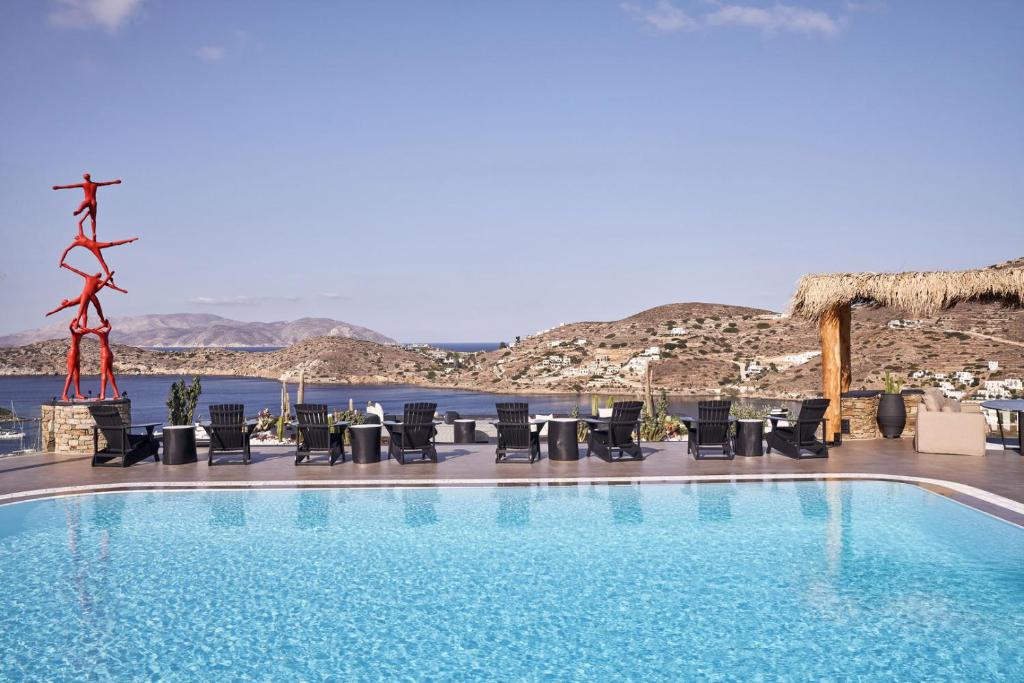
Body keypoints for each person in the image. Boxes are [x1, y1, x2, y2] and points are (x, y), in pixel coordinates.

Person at [45, 263, 126, 327]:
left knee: (94, 308)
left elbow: (108, 285)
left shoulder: (95, 280)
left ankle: (100, 321)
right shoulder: (91, 278)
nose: (100, 273)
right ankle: (83, 324)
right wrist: (67, 267)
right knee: (85, 309)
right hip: (87, 295)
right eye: (65, 301)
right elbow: (77, 271)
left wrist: (120, 289)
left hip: (88, 295)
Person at [51, 173, 121, 239]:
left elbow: (71, 186)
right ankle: (93, 232)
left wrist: (59, 187)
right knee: (93, 219)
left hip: (87, 200)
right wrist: (115, 181)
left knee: (82, 205)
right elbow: (106, 183)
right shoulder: (95, 184)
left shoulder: (84, 184)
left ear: (84, 178)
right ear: (90, 177)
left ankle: (79, 211)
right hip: (93, 201)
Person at [58, 233, 137, 279]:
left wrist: (86, 214)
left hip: (95, 245)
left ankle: (129, 240)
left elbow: (80, 222)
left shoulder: (81, 234)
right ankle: (108, 275)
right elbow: (66, 250)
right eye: (75, 237)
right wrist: (61, 260)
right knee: (102, 261)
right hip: (94, 249)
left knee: (112, 243)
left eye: (76, 236)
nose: (76, 236)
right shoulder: (76, 243)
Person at [87, 319, 120, 399]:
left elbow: (91, 330)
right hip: (109, 353)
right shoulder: (106, 333)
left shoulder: (100, 333)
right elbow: (110, 327)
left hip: (104, 353)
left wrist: (81, 327)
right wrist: (106, 324)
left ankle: (102, 394)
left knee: (104, 373)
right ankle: (116, 393)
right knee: (110, 373)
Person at [62, 319, 87, 401]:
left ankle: (77, 393)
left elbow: (87, 330)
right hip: (72, 353)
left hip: (77, 353)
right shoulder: (74, 334)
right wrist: (72, 323)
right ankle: (64, 394)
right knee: (70, 374)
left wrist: (79, 326)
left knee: (77, 374)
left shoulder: (81, 333)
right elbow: (70, 328)